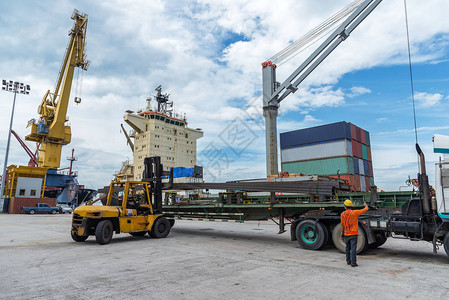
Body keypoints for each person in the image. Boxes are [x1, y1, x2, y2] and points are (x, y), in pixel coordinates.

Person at [340, 199, 368, 267]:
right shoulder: (354, 213)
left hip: (346, 234)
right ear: (351, 206)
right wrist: (366, 205)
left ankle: (348, 261)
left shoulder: (342, 214)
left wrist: (342, 232)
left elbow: (342, 224)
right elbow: (364, 210)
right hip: (353, 234)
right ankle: (353, 263)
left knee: (347, 248)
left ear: (345, 206)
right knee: (353, 248)